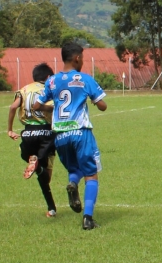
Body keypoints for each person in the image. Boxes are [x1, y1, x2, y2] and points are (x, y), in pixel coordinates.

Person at [34, 43, 108, 230]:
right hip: (80, 132)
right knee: (91, 174)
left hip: (60, 135)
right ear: (77, 58)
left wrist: (52, 107)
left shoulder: (52, 81)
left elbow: (36, 106)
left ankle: (73, 183)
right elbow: (102, 105)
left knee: (75, 168)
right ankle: (88, 218)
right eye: (82, 57)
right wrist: (92, 100)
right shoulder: (84, 79)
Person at [7, 63, 58, 217]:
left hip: (28, 132)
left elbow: (12, 107)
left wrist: (9, 129)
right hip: (47, 132)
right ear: (48, 77)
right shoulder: (50, 88)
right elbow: (54, 107)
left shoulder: (24, 89)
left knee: (26, 156)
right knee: (46, 176)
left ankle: (52, 209)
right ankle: (39, 167)